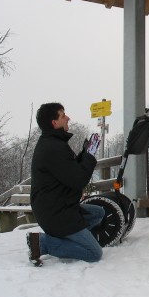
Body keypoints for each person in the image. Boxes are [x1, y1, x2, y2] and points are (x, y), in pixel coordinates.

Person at [26, 103, 104, 266]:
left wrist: (85, 152)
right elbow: (78, 180)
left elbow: (70, 171)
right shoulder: (53, 148)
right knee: (94, 253)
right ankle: (42, 243)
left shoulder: (53, 143)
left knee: (98, 213)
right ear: (54, 123)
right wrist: (89, 156)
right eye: (63, 115)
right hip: (56, 214)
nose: (68, 118)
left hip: (61, 207)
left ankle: (69, 240)